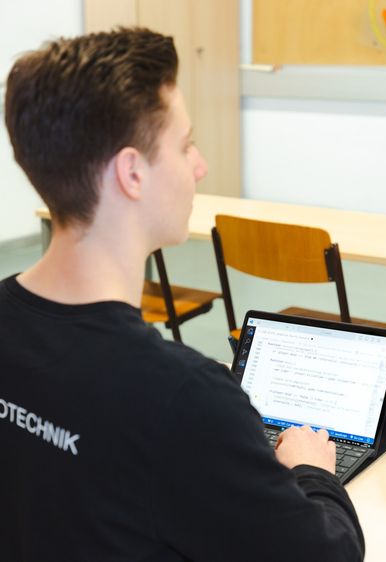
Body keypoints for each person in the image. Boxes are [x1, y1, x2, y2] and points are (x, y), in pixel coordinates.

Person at [0, 28, 365, 560]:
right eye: (186, 144)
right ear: (132, 172)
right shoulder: (185, 399)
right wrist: (311, 470)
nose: (200, 166)